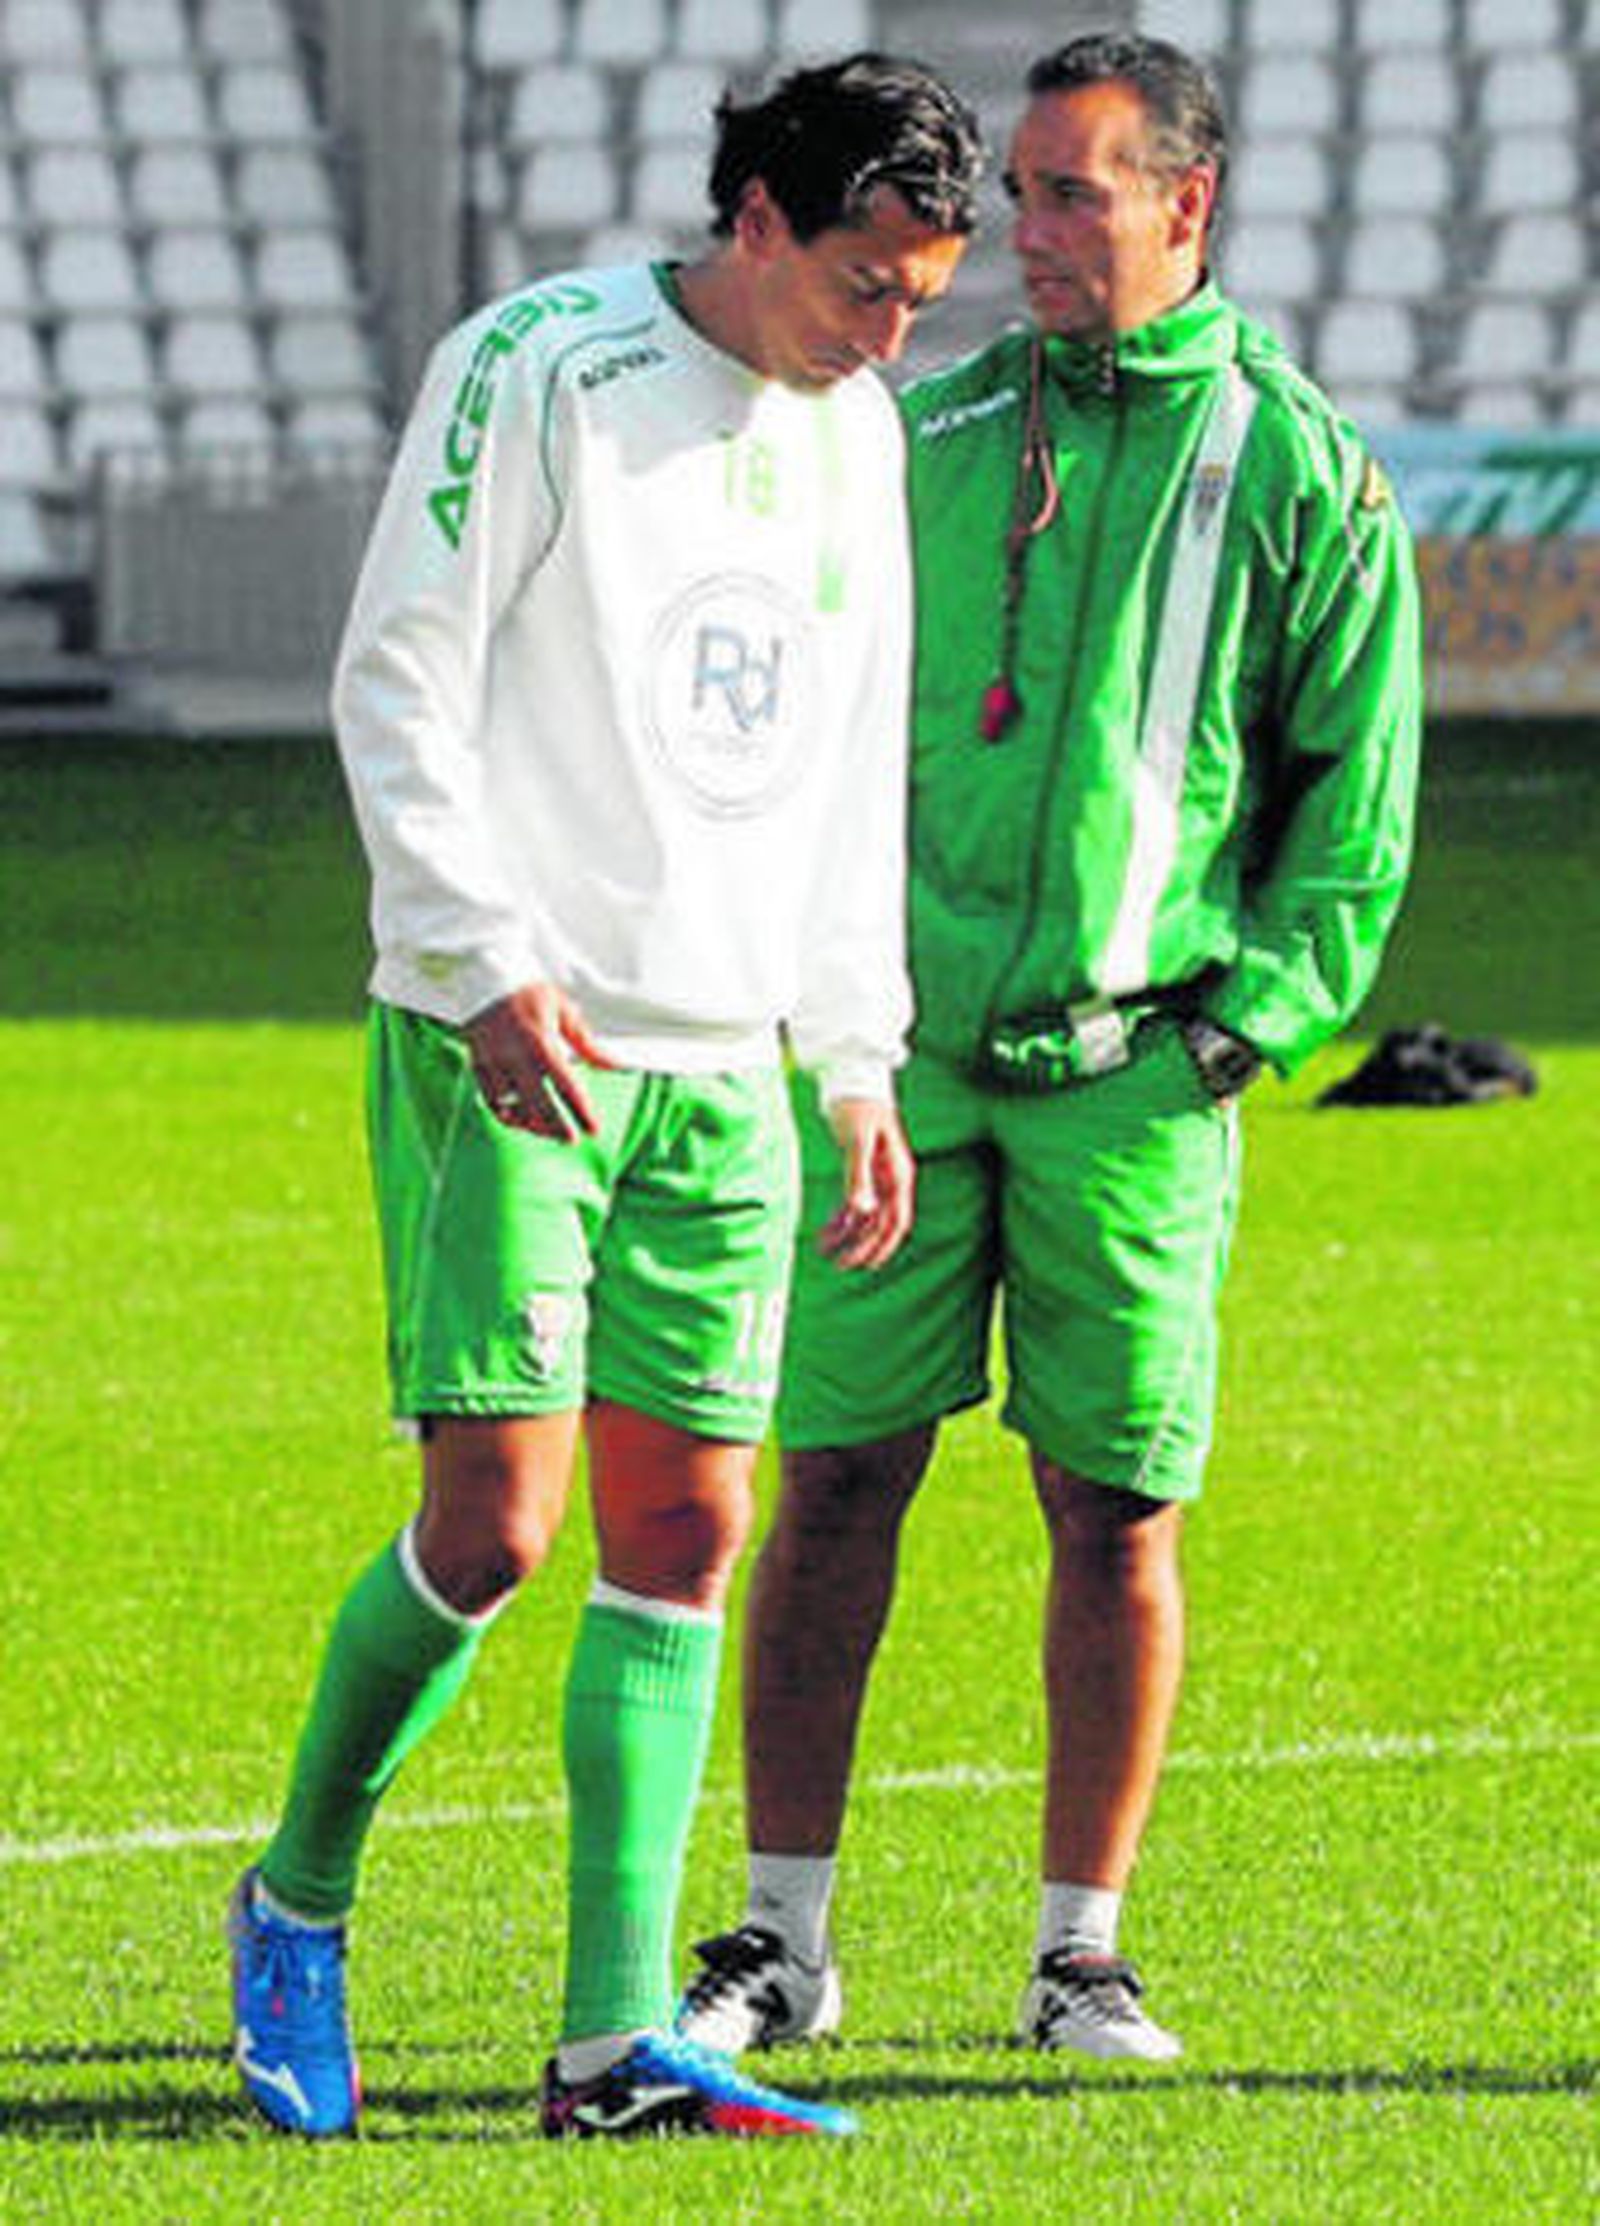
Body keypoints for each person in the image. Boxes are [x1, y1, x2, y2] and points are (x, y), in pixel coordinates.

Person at [226, 52, 981, 2142]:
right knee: (493, 1526)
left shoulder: (857, 440)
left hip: (730, 1066)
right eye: (859, 284)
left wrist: (850, 1059)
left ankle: (603, 2043)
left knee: (685, 1527)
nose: (884, 335)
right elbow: (400, 669)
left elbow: (848, 769)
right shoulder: (536, 366)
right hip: (521, 1042)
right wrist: (475, 957)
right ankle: (293, 1908)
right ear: (753, 219)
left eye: (916, 300)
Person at [677, 31, 1422, 2067]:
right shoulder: (919, 425)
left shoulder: (1294, 466)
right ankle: (776, 1939)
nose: (1028, 234)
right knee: (826, 1484)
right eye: (1017, 192)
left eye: (1071, 194)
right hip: (897, 1068)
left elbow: (1349, 808)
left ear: (1184, 205)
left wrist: (1231, 1036)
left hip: (1132, 1080)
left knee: (1114, 1510)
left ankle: (1075, 1950)